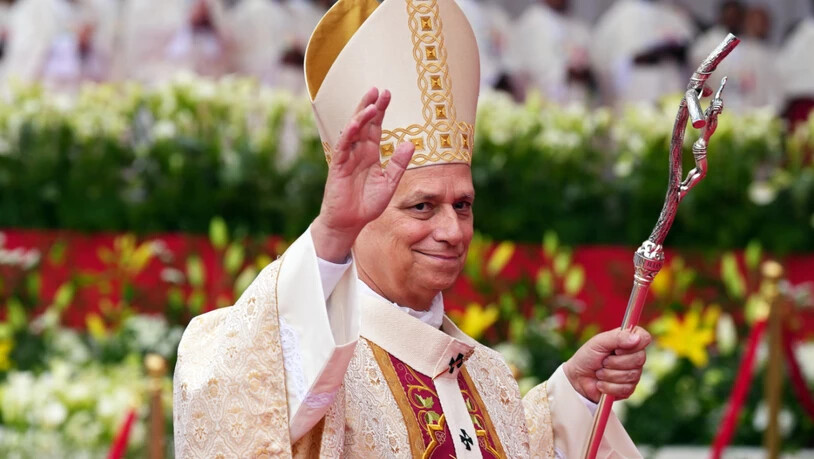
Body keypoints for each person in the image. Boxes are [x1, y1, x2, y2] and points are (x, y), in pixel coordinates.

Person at [173, 0, 651, 457]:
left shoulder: (489, 377)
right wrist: (332, 231)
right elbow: (238, 395)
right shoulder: (314, 365)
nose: (452, 231)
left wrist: (576, 396)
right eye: (422, 206)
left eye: (462, 205)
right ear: (361, 214)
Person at [591, 0, 696, 108]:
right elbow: (605, 60)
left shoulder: (671, 12)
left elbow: (691, 49)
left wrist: (673, 48)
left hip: (670, 82)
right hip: (639, 87)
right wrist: (649, 53)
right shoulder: (620, 15)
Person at [0, 0, 116, 90]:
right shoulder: (34, 8)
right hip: (44, 85)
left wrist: (83, 43)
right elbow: (25, 53)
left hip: (78, 86)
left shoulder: (91, 8)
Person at [689, 1, 780, 112]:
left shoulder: (752, 45)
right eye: (729, 16)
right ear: (721, 17)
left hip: (747, 104)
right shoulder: (708, 42)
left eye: (737, 16)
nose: (733, 20)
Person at [504, 0, 592, 104]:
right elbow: (537, 75)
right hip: (541, 108)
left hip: (578, 106)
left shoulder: (579, 27)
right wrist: (569, 72)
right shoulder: (530, 24)